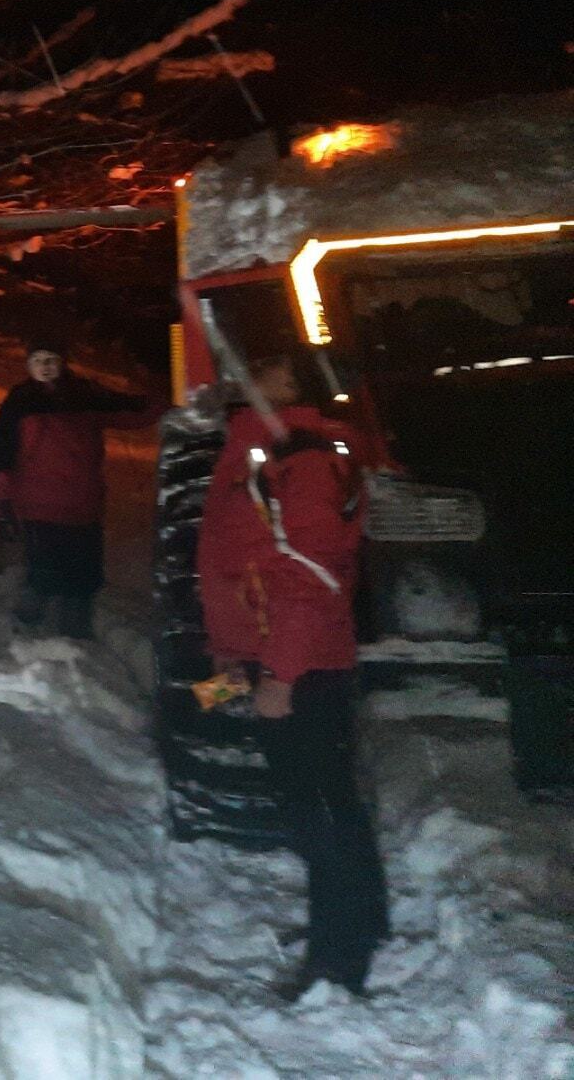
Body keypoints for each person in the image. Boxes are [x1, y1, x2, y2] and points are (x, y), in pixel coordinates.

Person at [197, 353, 389, 999]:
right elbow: (237, 556)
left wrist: (279, 673)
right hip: (266, 654)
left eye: (267, 371)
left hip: (298, 666)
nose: (249, 376)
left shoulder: (305, 454)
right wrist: (229, 655)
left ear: (295, 385)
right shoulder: (263, 443)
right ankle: (355, 924)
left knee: (317, 811)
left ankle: (339, 959)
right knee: (318, 802)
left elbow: (312, 576)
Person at [0, 336, 152, 639]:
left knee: (83, 564)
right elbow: (2, 448)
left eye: (51, 360)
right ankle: (31, 623)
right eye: (38, 361)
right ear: (28, 366)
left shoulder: (84, 394)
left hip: (81, 498)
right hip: (38, 500)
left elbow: (131, 411)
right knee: (43, 562)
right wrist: (2, 492)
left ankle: (75, 622)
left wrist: (172, 401)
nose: (45, 368)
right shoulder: (20, 400)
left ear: (62, 363)